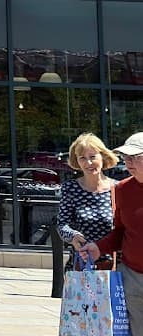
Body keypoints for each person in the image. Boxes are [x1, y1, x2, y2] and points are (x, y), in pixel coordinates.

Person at [83, 132, 143, 333]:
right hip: (133, 277)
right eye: (126, 157)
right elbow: (120, 232)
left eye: (135, 157)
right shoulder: (122, 189)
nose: (129, 162)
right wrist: (98, 247)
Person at [57, 132, 116, 270]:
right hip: (82, 265)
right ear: (77, 161)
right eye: (82, 158)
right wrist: (73, 236)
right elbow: (62, 224)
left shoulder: (118, 188)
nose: (88, 163)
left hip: (113, 267)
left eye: (93, 157)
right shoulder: (70, 188)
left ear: (103, 157)